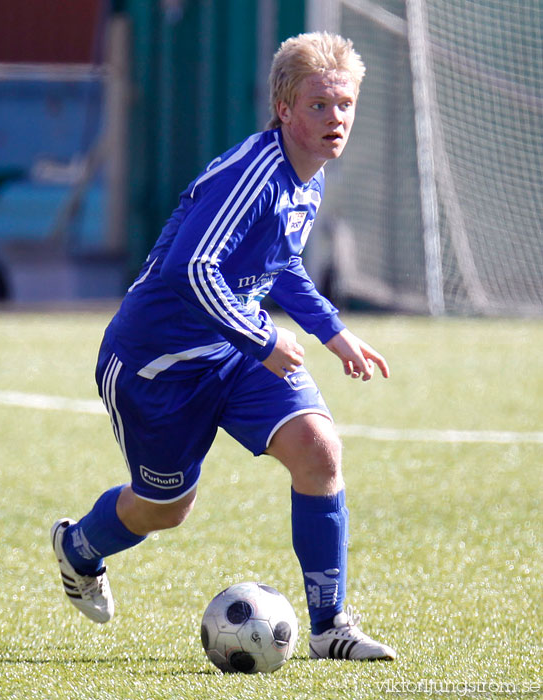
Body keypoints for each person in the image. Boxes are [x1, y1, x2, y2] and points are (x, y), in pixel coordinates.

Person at [51, 31, 396, 662]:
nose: (335, 118)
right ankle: (79, 549)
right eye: (319, 105)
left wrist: (332, 330)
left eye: (344, 104)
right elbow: (192, 269)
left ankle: (329, 627)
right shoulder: (257, 173)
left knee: (319, 452)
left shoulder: (307, 177)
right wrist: (263, 337)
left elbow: (279, 261)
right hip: (156, 368)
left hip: (231, 353)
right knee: (163, 509)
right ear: (285, 109)